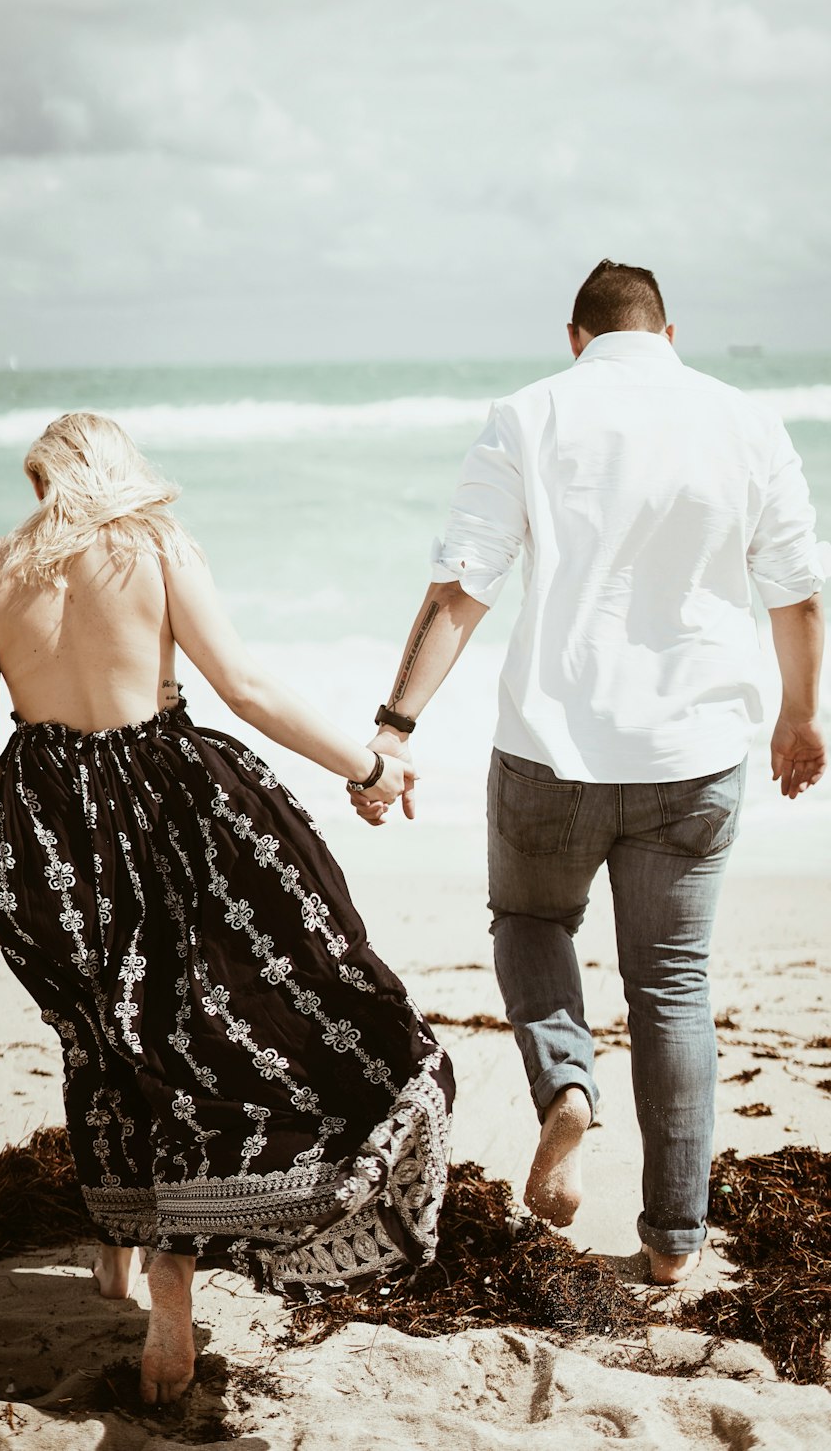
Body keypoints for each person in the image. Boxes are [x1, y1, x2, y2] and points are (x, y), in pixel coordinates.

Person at [0, 411, 454, 1403]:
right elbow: (247, 687)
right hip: (166, 803)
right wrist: (370, 764)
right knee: (199, 1035)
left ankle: (116, 1249)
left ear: (44, 479)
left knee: (105, 1042)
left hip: (40, 828)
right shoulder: (156, 545)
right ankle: (170, 1283)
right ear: (120, 471)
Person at [351, 261, 827, 1286]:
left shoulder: (528, 415)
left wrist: (394, 728)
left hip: (550, 753)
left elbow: (460, 588)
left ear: (575, 337)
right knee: (672, 984)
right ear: (670, 332)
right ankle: (670, 1240)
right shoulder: (744, 421)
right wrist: (798, 718)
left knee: (530, 924)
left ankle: (565, 1083)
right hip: (694, 757)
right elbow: (796, 590)